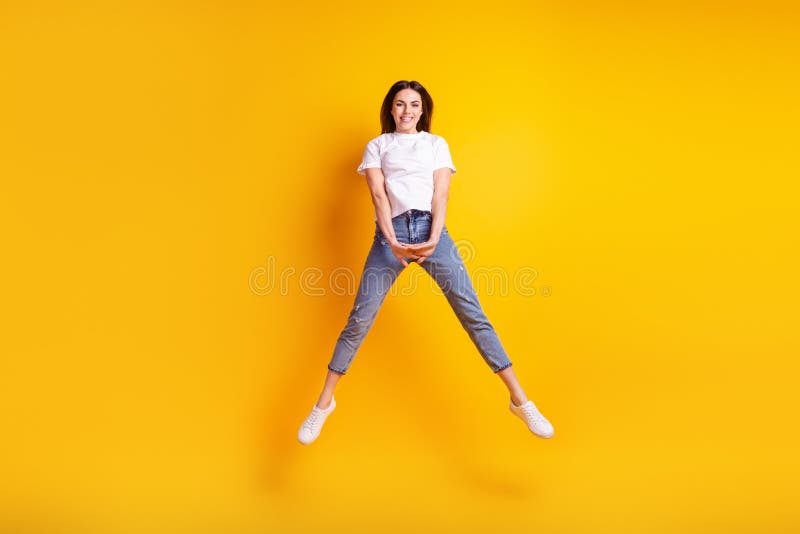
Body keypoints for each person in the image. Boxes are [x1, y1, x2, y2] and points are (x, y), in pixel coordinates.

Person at [298, 80, 554, 445]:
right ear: (390, 109)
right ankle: (323, 404)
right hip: (391, 235)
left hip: (432, 231)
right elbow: (377, 196)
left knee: (473, 314)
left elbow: (442, 193)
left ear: (423, 110)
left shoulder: (436, 145)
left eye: (414, 105)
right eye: (400, 104)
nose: (407, 111)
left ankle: (520, 400)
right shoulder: (378, 146)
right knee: (359, 318)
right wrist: (392, 242)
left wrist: (434, 237)